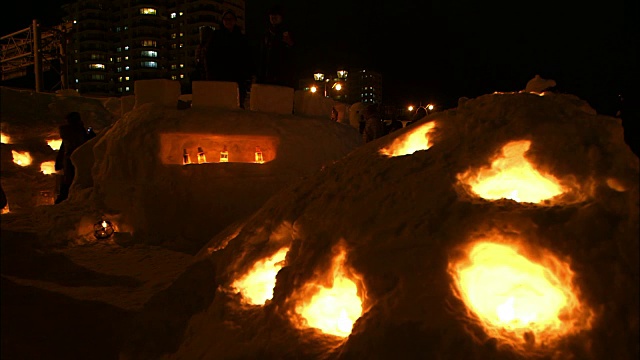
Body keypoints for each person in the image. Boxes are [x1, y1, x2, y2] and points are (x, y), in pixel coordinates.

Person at [205, 10, 252, 108]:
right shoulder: (216, 36)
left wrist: (247, 74)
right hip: (220, 76)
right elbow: (209, 56)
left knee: (237, 105)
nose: (228, 21)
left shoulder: (240, 37)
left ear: (235, 21)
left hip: (237, 77)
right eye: (226, 19)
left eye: (231, 19)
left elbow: (246, 57)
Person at [55, 112, 92, 204]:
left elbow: (63, 148)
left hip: (69, 160)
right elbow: (85, 144)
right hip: (76, 160)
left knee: (68, 181)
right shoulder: (78, 131)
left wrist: (59, 161)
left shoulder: (69, 133)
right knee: (72, 180)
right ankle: (66, 200)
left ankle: (63, 200)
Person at [257, 5, 296, 88]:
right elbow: (262, 55)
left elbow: (293, 52)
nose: (273, 17)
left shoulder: (288, 32)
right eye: (271, 15)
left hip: (284, 76)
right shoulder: (267, 34)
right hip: (268, 75)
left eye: (276, 15)